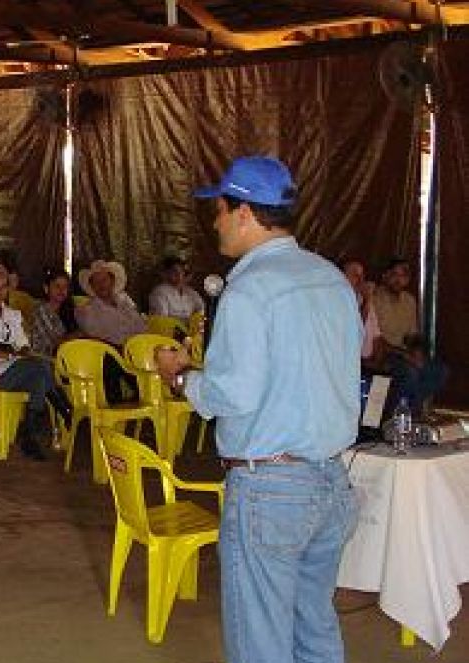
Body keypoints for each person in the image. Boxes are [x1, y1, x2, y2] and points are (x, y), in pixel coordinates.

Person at [156, 155, 359, 663]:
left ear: (243, 212)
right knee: (314, 629)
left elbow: (232, 395)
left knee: (259, 643)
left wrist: (182, 376)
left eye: (219, 210)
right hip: (331, 482)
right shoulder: (331, 278)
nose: (216, 222)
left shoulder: (249, 290)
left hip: (271, 491)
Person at [0, 268, 67, 461]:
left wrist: (21, 351)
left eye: (3, 287)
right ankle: (60, 406)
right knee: (38, 367)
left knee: (38, 375)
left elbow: (23, 344)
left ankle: (29, 435)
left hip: (15, 369)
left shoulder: (13, 314)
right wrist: (12, 353)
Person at [74, 260, 146, 346]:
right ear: (92, 287)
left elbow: (141, 326)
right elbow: (97, 342)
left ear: (112, 281)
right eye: (96, 282)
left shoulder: (125, 302)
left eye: (104, 280)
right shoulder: (87, 311)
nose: (101, 285)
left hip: (139, 348)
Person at [339, 258, 383, 362]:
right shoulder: (339, 302)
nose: (361, 280)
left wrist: (379, 362)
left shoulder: (363, 299)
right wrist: (367, 301)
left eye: (362, 275)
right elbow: (355, 330)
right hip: (353, 362)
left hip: (370, 361)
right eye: (355, 275)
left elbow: (376, 336)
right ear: (341, 277)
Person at [29, 268, 80, 357]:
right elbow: (54, 343)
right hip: (44, 359)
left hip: (67, 355)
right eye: (57, 286)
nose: (61, 290)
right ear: (46, 288)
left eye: (65, 287)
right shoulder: (41, 310)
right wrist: (77, 335)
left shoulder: (68, 309)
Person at [370, 258, 418, 351]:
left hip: (403, 352)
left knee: (438, 365)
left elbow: (411, 334)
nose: (398, 280)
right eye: (394, 274)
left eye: (404, 275)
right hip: (381, 356)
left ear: (408, 279)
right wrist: (406, 355)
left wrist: (416, 349)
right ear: (385, 276)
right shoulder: (373, 298)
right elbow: (375, 340)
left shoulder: (409, 300)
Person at [148, 256, 205, 321]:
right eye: (174, 271)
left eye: (182, 271)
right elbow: (162, 319)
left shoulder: (191, 292)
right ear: (166, 273)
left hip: (191, 329)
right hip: (169, 330)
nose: (179, 275)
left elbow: (201, 309)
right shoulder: (159, 292)